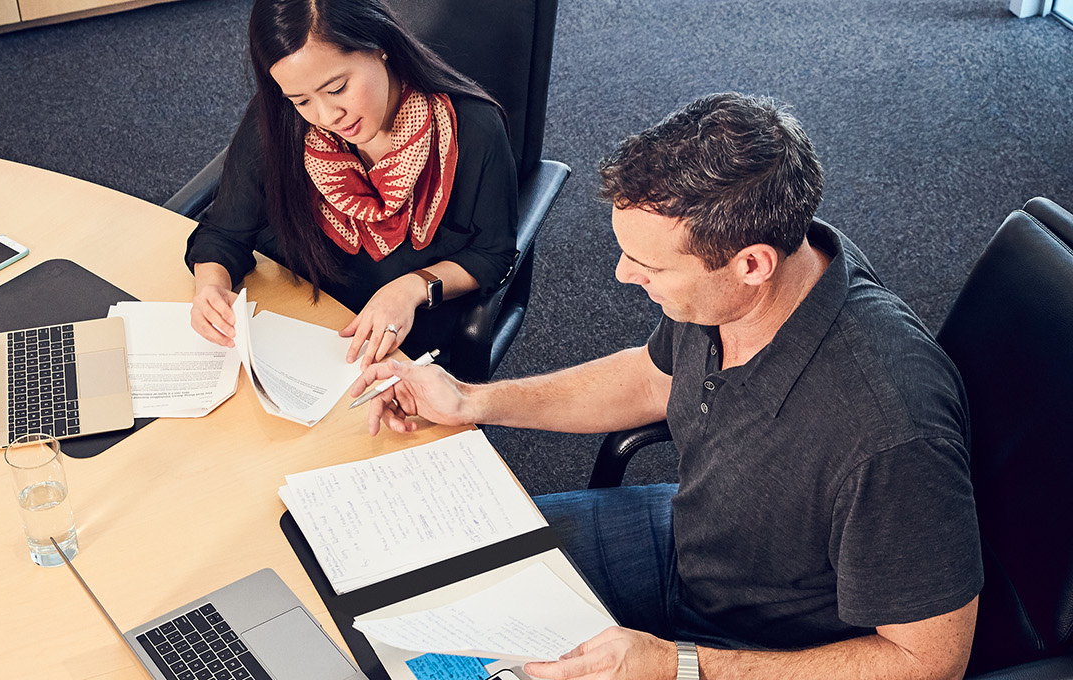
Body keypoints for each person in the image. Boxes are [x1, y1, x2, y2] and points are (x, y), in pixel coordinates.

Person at [348, 93, 983, 680]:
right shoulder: (749, 284)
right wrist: (472, 400)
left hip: (769, 646)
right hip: (690, 541)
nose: (624, 275)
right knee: (420, 588)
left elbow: (929, 660)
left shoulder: (889, 430)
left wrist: (680, 665)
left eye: (648, 265)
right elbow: (655, 376)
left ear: (752, 264)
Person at [184, 0, 517, 370]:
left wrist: (411, 288)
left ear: (379, 46)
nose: (327, 117)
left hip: (402, 344)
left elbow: (491, 255)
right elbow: (225, 233)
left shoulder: (472, 130)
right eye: (301, 100)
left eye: (338, 88)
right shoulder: (279, 123)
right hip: (297, 327)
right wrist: (211, 286)